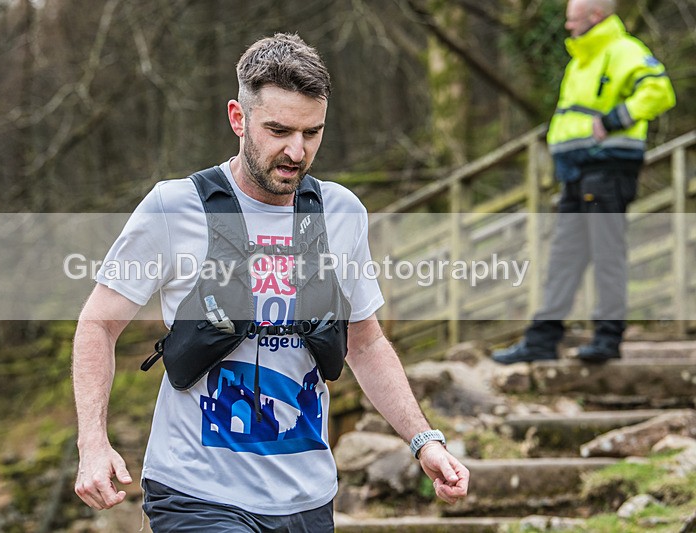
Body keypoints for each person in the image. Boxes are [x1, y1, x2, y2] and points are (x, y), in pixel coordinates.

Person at [72, 33, 469, 531]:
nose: (296, 151)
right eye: (279, 130)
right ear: (238, 118)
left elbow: (365, 344)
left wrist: (422, 440)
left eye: (312, 133)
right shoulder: (175, 207)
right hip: (197, 492)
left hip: (306, 496)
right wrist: (92, 442)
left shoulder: (341, 213)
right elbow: (97, 325)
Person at [493, 0, 675, 365]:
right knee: (564, 256)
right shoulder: (582, 59)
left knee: (607, 254)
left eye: (573, 19)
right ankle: (543, 339)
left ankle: (608, 340)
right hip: (577, 172)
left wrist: (615, 119)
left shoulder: (623, 50)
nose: (567, 27)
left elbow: (660, 91)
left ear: (596, 16)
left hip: (606, 170)